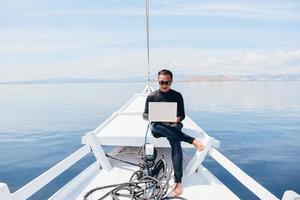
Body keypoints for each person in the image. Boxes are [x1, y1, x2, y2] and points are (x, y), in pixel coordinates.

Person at [142, 69, 204, 196]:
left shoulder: (177, 95)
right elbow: (144, 114)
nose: (165, 85)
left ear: (172, 81)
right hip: (158, 126)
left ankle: (178, 181)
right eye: (162, 82)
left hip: (173, 125)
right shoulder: (152, 96)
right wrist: (152, 116)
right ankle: (191, 140)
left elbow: (182, 115)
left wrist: (177, 119)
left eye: (167, 82)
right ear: (158, 81)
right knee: (156, 127)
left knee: (175, 143)